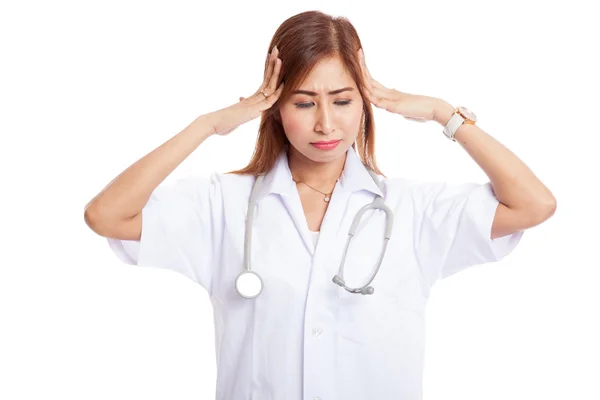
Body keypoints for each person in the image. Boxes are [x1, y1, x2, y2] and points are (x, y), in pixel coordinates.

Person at [84, 10, 556, 400]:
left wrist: (443, 114)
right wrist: (208, 125)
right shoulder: (223, 205)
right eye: (304, 102)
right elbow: (105, 215)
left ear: (365, 104)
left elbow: (534, 204)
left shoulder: (411, 209)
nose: (326, 123)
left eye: (343, 100)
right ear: (275, 107)